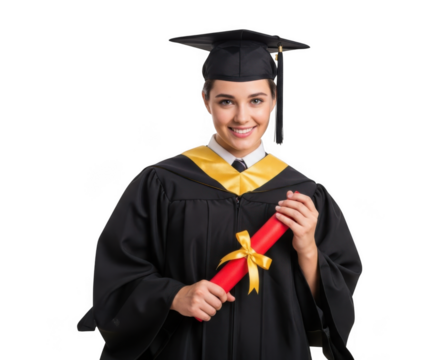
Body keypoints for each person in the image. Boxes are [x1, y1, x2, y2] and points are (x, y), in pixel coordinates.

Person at [77, 29, 362, 360]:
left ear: (275, 99)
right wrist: (173, 295)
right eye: (226, 101)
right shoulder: (162, 184)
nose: (242, 117)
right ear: (205, 100)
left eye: (256, 100)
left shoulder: (305, 194)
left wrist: (308, 251)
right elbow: (117, 275)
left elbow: (338, 304)